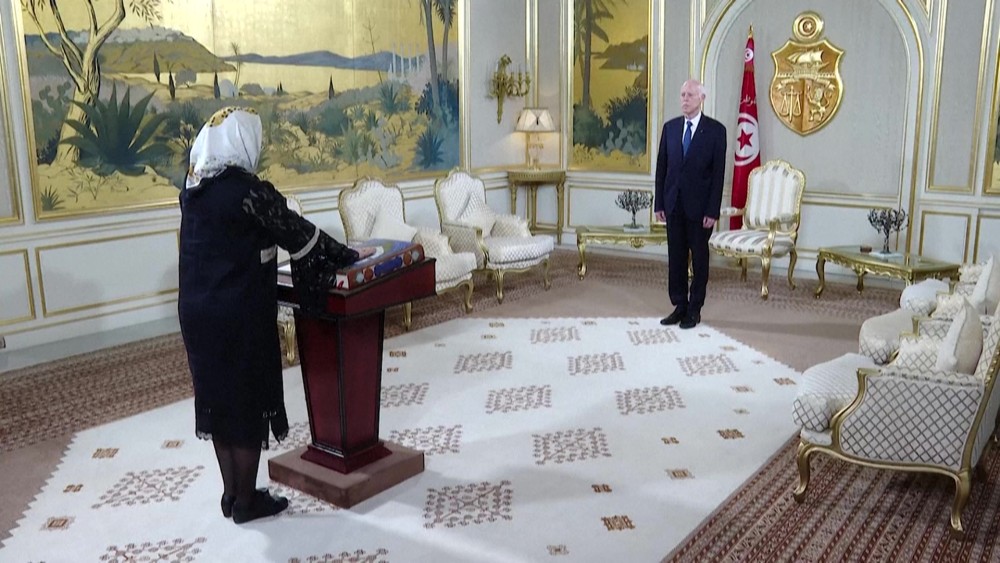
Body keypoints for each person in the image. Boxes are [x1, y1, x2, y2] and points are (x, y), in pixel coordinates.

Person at [178, 106, 374, 524]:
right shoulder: (249, 192)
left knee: (219, 401)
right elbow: (297, 234)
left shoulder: (192, 187)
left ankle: (232, 493)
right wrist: (346, 254)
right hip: (237, 312)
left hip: (197, 311)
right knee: (247, 401)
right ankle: (248, 502)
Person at [653, 79, 727, 329]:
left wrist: (712, 210)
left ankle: (694, 309)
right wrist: (659, 204)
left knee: (699, 259)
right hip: (673, 205)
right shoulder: (671, 128)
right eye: (682, 94)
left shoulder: (716, 131)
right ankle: (679, 305)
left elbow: (718, 175)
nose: (685, 99)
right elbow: (662, 168)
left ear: (701, 98)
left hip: (700, 209)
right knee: (676, 258)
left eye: (690, 95)